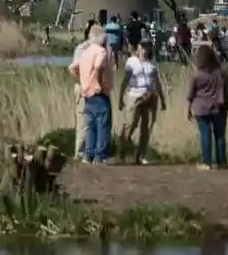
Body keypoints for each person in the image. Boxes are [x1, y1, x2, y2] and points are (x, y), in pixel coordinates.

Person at [69, 25, 113, 164]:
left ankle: (88, 155)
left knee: (91, 125)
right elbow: (99, 66)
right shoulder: (101, 51)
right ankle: (101, 156)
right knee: (103, 124)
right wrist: (98, 83)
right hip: (99, 93)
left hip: (87, 93)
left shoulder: (86, 52)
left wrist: (82, 80)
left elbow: (72, 67)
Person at [187, 44, 228, 170]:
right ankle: (222, 161)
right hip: (219, 106)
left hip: (201, 108)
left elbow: (191, 94)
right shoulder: (221, 73)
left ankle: (207, 162)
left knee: (205, 133)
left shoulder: (197, 75)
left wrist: (188, 109)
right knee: (220, 135)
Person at [118, 42, 166, 165]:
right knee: (130, 124)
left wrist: (162, 98)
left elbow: (157, 83)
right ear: (138, 49)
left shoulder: (152, 66)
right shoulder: (132, 62)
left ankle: (140, 155)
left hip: (150, 95)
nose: (144, 51)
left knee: (147, 125)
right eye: (142, 48)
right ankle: (123, 151)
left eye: (147, 48)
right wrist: (121, 97)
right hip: (135, 94)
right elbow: (125, 80)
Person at [69, 30, 93, 160]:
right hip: (83, 87)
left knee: (92, 121)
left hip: (93, 88)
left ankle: (89, 152)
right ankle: (79, 153)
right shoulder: (82, 49)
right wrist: (82, 83)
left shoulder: (98, 49)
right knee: (83, 120)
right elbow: (73, 68)